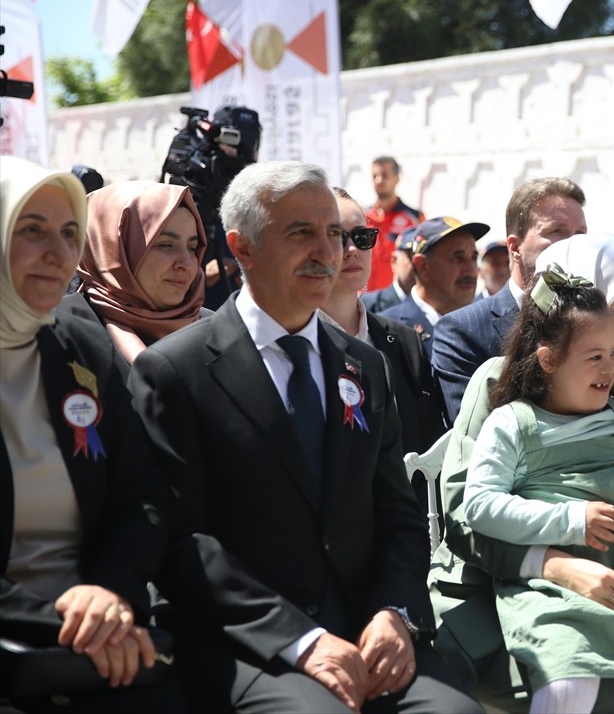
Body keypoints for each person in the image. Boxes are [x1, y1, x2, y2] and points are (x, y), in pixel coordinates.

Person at [127, 161, 479, 714]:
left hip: (368, 633)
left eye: (335, 234)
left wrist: (395, 613)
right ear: (242, 249)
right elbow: (182, 542)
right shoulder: (176, 370)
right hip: (251, 644)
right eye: (301, 233)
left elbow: (397, 513)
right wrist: (302, 641)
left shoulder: (364, 366)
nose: (327, 251)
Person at [432, 233, 614, 713]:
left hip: (612, 603)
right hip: (500, 600)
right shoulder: (498, 378)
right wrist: (553, 563)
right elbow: (465, 520)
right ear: (584, 301)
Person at [0, 157, 183, 712]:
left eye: (69, 233)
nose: (59, 254)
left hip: (102, 629)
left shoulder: (81, 345)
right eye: (32, 230)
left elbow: (143, 495)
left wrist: (111, 593)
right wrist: (77, 621)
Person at [432, 178, 587, 421]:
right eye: (556, 231)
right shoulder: (462, 331)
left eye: (580, 233)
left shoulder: (600, 321)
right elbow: (472, 433)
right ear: (515, 247)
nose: (574, 244)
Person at [320, 188, 447, 454]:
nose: (352, 249)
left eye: (362, 236)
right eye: (337, 237)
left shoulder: (405, 341)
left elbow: (430, 443)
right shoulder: (294, 339)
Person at [58, 181, 207, 369]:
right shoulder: (61, 331)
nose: (186, 264)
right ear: (113, 248)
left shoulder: (217, 331)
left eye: (192, 248)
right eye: (166, 245)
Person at [378, 217, 489, 347]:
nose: (470, 271)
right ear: (423, 266)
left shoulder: (485, 327)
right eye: (458, 258)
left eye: (474, 258)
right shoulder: (385, 330)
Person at [365, 157, 425, 293]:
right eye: (375, 176)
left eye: (384, 175)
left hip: (397, 300)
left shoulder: (414, 218)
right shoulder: (363, 217)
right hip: (366, 298)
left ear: (397, 179)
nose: (379, 180)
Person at [361, 227, 417, 314]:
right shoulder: (366, 305)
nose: (420, 264)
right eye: (413, 257)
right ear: (394, 261)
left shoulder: (439, 307)